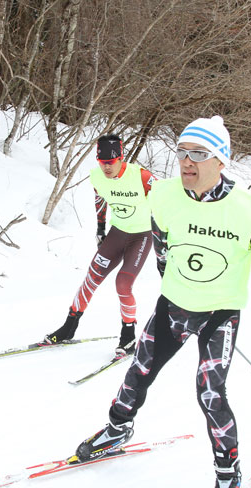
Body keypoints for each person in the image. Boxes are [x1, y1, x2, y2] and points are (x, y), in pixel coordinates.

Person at [72, 117, 251, 488]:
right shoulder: (163, 195)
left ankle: (227, 469)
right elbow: (162, 246)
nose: (187, 161)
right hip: (174, 306)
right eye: (182, 152)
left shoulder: (249, 209)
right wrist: (175, 280)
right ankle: (117, 430)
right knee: (139, 369)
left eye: (199, 154)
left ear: (221, 160)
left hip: (221, 313)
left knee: (210, 390)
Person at [42, 134, 156, 355]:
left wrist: (168, 236)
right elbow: (100, 199)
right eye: (102, 163)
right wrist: (101, 228)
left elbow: (167, 200)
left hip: (141, 236)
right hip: (117, 232)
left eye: (111, 163)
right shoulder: (96, 177)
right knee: (92, 277)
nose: (106, 167)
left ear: (120, 158)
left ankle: (128, 335)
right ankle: (68, 328)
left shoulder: (141, 176)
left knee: (123, 283)